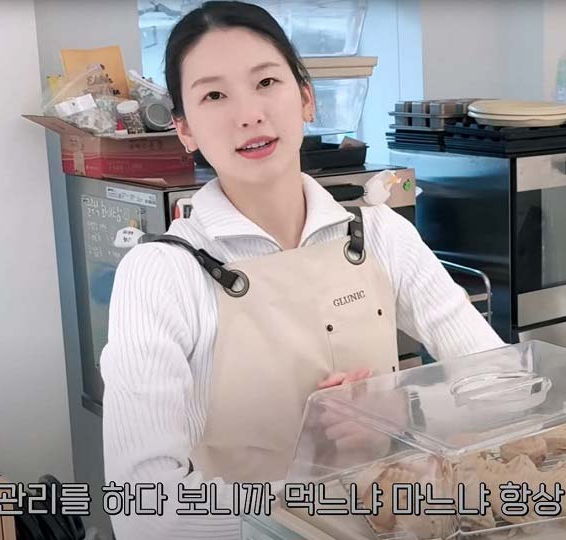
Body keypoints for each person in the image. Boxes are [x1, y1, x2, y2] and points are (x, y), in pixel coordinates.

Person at [99, 2, 503, 538]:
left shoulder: (380, 235)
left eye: (266, 82)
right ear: (185, 129)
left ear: (306, 98)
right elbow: (143, 508)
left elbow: (501, 386)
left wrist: (401, 416)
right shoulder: (161, 274)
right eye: (214, 95)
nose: (249, 114)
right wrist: (318, 501)